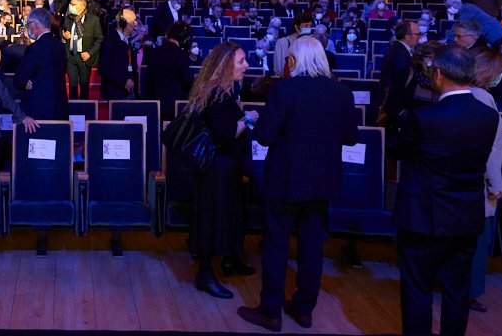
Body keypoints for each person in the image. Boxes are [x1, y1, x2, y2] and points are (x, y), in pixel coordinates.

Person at [238, 36, 358, 332]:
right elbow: (351, 137)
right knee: (312, 247)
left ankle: (271, 311)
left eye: (290, 59)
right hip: (322, 181)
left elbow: (265, 136)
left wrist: (258, 124)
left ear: (295, 61)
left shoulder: (284, 90)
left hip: (285, 179)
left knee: (276, 244)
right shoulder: (341, 92)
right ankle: (305, 310)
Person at [389, 45, 499, 336]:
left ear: (438, 74)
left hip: (421, 217)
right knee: (457, 291)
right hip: (465, 217)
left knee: (417, 289)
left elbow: (395, 151)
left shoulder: (423, 117)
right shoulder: (488, 116)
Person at [183, 42, 258, 301]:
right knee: (213, 218)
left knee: (229, 214)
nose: (246, 65)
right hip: (216, 167)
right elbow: (226, 134)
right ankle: (205, 273)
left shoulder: (224, 90)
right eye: (241, 62)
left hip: (226, 166)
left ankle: (230, 260)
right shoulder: (216, 93)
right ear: (225, 66)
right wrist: (249, 118)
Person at [468, 48, 502, 314]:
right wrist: (496, 186)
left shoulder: (467, 93)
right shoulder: (484, 99)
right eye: (499, 71)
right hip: (479, 187)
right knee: (478, 243)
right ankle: (470, 292)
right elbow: (490, 148)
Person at [15, 8, 69, 120]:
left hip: (40, 109)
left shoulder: (35, 48)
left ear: (35, 25)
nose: (27, 28)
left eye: (28, 24)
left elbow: (19, 78)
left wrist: (25, 81)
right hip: (60, 107)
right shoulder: (60, 46)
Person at [145, 21, 194, 121]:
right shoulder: (180, 55)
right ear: (184, 38)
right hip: (175, 105)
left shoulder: (154, 52)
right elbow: (187, 81)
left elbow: (148, 79)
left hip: (155, 103)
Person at [61, 0, 103, 100]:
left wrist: (89, 53)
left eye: (73, 4)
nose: (70, 6)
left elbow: (99, 39)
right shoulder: (68, 19)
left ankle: (84, 110)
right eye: (70, 4)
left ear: (81, 7)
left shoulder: (94, 20)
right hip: (70, 57)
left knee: (84, 85)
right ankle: (73, 110)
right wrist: (64, 38)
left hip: (85, 58)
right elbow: (62, 35)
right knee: (72, 85)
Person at [98, 7, 140, 100]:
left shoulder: (127, 40)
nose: (136, 24)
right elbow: (103, 68)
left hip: (129, 90)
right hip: (115, 92)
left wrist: (131, 79)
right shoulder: (109, 41)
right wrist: (123, 82)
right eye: (133, 21)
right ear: (124, 23)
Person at [378, 21, 420, 111]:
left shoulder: (397, 49)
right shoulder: (401, 53)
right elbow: (401, 83)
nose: (419, 37)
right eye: (417, 34)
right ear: (407, 37)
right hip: (396, 105)